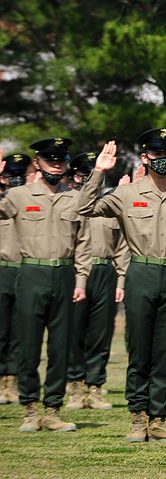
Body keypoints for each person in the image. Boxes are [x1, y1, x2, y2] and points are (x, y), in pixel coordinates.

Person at [80, 131, 166, 443]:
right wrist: (99, 172)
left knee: (165, 351)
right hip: (141, 272)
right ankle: (137, 418)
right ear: (145, 157)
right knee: (139, 349)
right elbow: (83, 208)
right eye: (155, 152)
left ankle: (158, 418)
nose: (162, 158)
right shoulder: (126, 193)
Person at [0, 137, 87, 433]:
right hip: (31, 273)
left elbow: (84, 243)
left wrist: (81, 280)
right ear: (37, 162)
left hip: (64, 274)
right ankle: (29, 409)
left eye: (61, 160)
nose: (56, 165)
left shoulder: (75, 197)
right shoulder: (19, 195)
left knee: (60, 346)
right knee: (28, 345)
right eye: (50, 159)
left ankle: (52, 409)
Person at [65, 151, 127, 412]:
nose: (88, 180)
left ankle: (96, 387)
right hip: (75, 272)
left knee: (101, 334)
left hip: (105, 271)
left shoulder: (109, 204)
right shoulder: (67, 201)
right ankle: (75, 387)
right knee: (74, 332)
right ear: (74, 177)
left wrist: (121, 278)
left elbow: (122, 245)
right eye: (83, 175)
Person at [0, 152, 32, 404]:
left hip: (25, 269)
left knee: (21, 332)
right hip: (2, 269)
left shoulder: (29, 200)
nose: (16, 179)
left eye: (21, 175)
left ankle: (12, 381)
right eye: (11, 175)